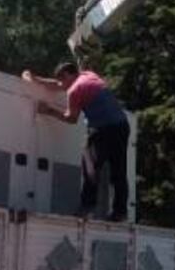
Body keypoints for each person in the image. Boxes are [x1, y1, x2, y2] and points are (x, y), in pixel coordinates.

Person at [23, 62, 130, 221]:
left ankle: (87, 207)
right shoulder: (88, 75)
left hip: (103, 129)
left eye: (61, 80)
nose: (61, 85)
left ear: (67, 76)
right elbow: (57, 85)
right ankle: (120, 212)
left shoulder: (74, 90)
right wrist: (34, 79)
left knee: (90, 166)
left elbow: (71, 118)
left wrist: (49, 110)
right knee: (119, 171)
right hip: (122, 126)